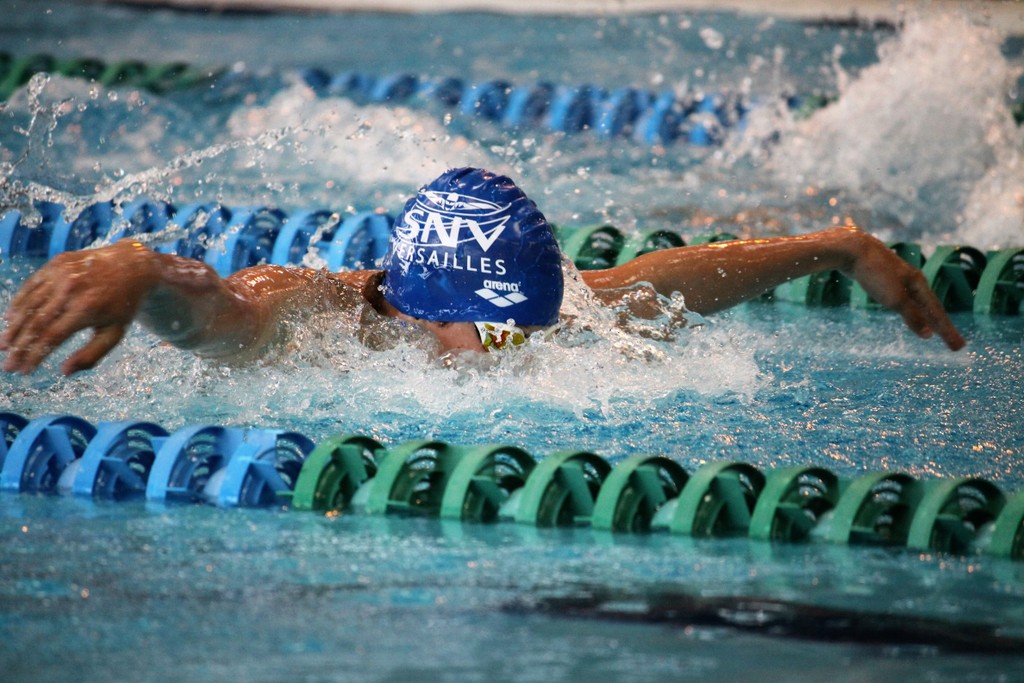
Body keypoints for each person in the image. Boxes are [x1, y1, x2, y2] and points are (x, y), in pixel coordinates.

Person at [0, 167, 964, 376]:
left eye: (519, 324)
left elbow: (650, 284)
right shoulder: (314, 319)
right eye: (494, 325)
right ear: (424, 307)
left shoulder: (508, 323)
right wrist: (139, 272)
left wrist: (839, 247)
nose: (509, 344)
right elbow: (219, 312)